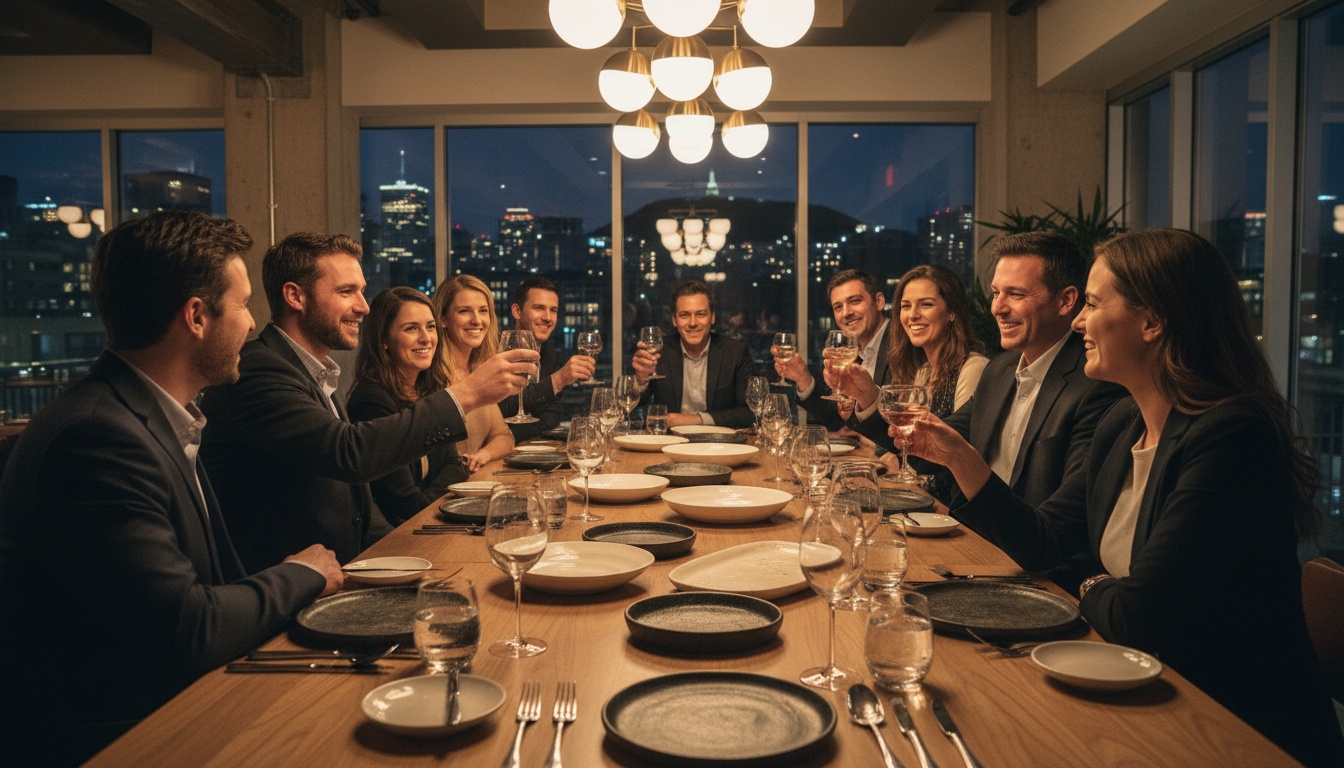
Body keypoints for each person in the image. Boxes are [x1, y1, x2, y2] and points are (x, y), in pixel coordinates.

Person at [906, 229, 1344, 767]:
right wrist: (962, 460)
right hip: (1128, 684)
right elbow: (1045, 546)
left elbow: (1141, 616)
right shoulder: (1123, 422)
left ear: (1152, 322)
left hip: (1226, 728)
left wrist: (1089, 581)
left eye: (1090, 303)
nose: (1079, 321)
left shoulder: (1233, 437)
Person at [0, 212, 343, 766]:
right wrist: (305, 572)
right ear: (197, 317)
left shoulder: (150, 417)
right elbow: (188, 631)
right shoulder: (96, 438)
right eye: (242, 305)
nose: (254, 325)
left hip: (180, 703)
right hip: (122, 737)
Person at [200, 234, 535, 571]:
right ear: (295, 296)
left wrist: (412, 561)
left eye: (361, 290)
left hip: (343, 572)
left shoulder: (315, 371)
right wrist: (468, 393)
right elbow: (350, 454)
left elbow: (357, 501)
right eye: (347, 292)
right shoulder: (260, 367)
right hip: (287, 593)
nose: (363, 306)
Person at [838, 265, 989, 486]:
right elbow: (904, 441)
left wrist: (901, 462)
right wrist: (865, 394)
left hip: (953, 508)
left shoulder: (973, 368)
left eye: (926, 304)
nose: (913, 315)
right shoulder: (923, 371)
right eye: (906, 306)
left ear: (952, 312)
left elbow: (955, 453)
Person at [346, 287, 466, 525]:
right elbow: (401, 500)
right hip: (393, 540)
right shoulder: (371, 400)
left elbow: (456, 466)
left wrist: (435, 504)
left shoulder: (428, 390)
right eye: (411, 328)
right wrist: (447, 507)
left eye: (430, 327)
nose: (426, 338)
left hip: (427, 522)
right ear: (384, 341)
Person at [773, 269, 889, 431]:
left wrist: (879, 446)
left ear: (879, 302)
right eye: (838, 307)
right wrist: (803, 378)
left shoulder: (903, 344)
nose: (846, 313)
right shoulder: (852, 352)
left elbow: (905, 418)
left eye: (855, 301)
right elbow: (837, 419)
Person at [632, 279, 755, 429]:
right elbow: (637, 404)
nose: (692, 323)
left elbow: (749, 412)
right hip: (668, 444)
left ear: (712, 317)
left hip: (720, 444)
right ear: (674, 320)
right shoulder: (659, 353)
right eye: (684, 315)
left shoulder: (736, 353)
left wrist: (694, 419)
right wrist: (640, 380)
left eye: (701, 314)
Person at [432, 275, 515, 470]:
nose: (476, 320)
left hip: (471, 482)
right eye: (464, 311)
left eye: (483, 311)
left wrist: (483, 454)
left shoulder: (478, 370)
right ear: (443, 319)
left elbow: (504, 437)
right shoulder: (432, 375)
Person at [498, 277, 595, 441]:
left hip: (534, 451)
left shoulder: (549, 352)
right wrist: (557, 380)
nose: (548, 317)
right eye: (539, 308)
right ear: (517, 311)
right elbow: (499, 412)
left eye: (553, 310)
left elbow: (551, 419)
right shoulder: (497, 351)